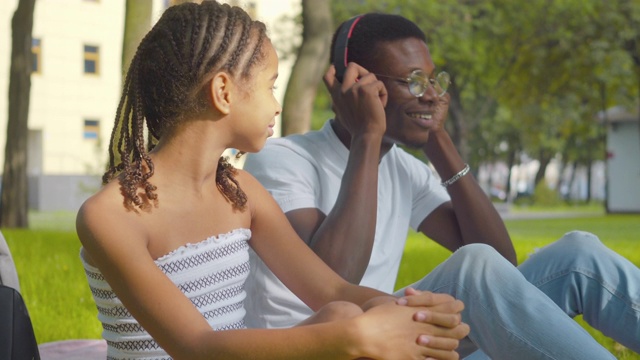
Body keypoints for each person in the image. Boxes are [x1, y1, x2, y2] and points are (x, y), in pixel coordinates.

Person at [75, 3, 472, 359]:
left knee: (341, 311)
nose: (277, 105)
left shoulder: (241, 193)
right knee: (346, 324)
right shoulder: (109, 217)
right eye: (271, 85)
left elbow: (332, 291)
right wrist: (353, 337)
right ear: (224, 92)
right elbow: (196, 347)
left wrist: (411, 312)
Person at [243, 12, 640, 359]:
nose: (432, 95)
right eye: (414, 81)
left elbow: (505, 265)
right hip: (330, 349)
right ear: (357, 82)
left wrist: (438, 140)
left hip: (408, 345)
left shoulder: (404, 169)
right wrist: (367, 136)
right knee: (473, 267)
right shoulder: (284, 160)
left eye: (434, 80)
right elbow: (331, 283)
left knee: (578, 254)